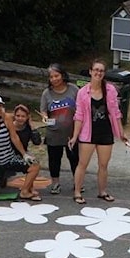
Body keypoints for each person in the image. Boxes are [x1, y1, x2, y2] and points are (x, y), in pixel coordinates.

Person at [69, 58, 128, 204]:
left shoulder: (110, 90)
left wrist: (121, 132)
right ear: (90, 71)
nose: (98, 73)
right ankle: (77, 191)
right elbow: (79, 116)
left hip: (105, 131)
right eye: (96, 70)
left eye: (101, 71)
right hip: (88, 133)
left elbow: (116, 112)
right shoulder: (83, 92)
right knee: (82, 163)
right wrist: (75, 136)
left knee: (103, 164)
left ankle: (102, 191)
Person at [0, 93, 41, 200]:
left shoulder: (6, 119)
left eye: (0, 106)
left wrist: (24, 155)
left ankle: (24, 191)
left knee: (35, 165)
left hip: (8, 159)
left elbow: (14, 137)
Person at [39, 63, 80, 196]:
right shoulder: (47, 93)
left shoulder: (74, 89)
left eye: (56, 75)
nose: (54, 79)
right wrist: (45, 117)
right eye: (51, 77)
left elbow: (81, 108)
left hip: (72, 133)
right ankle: (55, 183)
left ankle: (77, 182)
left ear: (62, 75)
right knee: (54, 159)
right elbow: (43, 110)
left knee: (74, 158)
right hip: (54, 133)